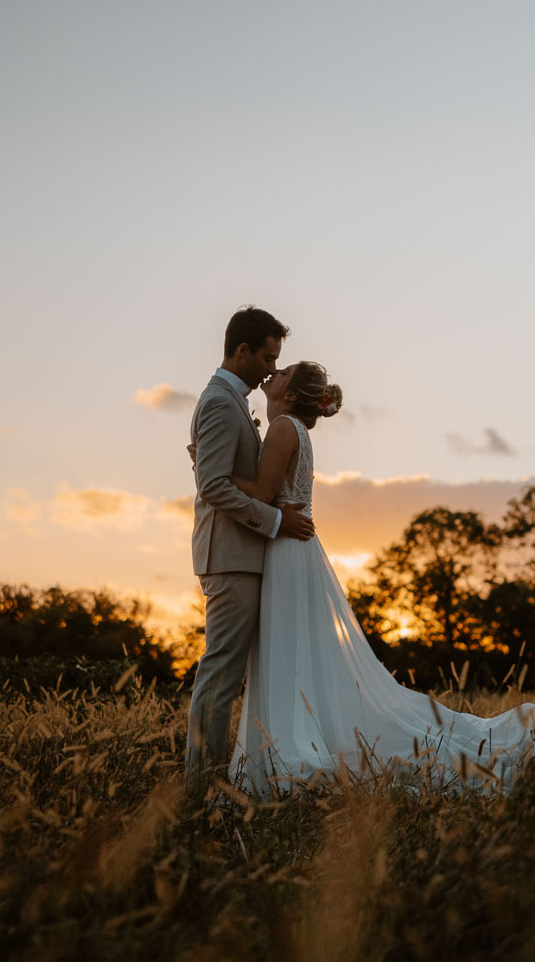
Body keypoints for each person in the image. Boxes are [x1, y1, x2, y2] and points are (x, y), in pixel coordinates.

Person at [224, 359, 535, 795]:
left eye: (282, 373)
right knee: (296, 650)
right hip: (295, 546)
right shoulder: (292, 429)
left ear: (290, 395)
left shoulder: (283, 429)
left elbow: (263, 494)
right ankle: (290, 742)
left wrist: (212, 473)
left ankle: (287, 750)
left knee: (286, 649)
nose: (273, 374)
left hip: (286, 548)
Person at [186, 306, 316, 791]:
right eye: (266, 357)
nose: (270, 367)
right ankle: (200, 786)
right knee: (220, 673)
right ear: (241, 351)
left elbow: (213, 475)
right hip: (231, 556)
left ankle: (217, 779)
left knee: (229, 672)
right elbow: (215, 486)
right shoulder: (221, 402)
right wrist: (278, 521)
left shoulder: (234, 402)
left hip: (245, 553)